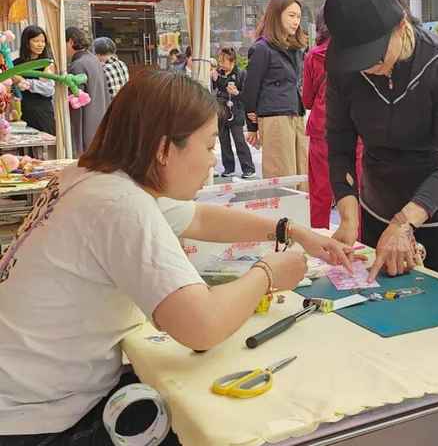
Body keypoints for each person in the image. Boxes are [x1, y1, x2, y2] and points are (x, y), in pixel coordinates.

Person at [0, 70, 357, 443]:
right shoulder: (119, 203)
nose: (212, 160)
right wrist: (267, 273)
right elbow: (200, 328)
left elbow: (199, 218)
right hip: (33, 421)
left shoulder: (87, 177)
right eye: (206, 146)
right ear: (164, 148)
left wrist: (292, 230)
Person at [325, 0, 438, 279]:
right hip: (377, 205)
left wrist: (404, 222)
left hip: (437, 211)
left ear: (402, 26)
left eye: (375, 57)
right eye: (356, 60)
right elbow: (339, 146)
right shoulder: (345, 70)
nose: (367, 69)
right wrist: (349, 218)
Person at [302, 8, 364, 228]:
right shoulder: (360, 53)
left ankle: (320, 242)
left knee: (320, 192)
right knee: (356, 189)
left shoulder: (314, 56)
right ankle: (358, 241)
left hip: (322, 128)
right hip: (355, 129)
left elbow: (307, 100)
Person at [243, 0, 308, 182]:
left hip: (295, 113)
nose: (296, 21)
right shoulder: (262, 48)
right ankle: (284, 212)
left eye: (298, 16)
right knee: (281, 174)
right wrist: (252, 127)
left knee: (301, 173)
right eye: (291, 15)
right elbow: (251, 88)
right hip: (275, 116)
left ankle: (300, 212)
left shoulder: (294, 48)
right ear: (277, 15)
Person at [211, 47, 255, 178]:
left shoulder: (241, 74)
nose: (221, 64)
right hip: (221, 110)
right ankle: (228, 168)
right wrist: (215, 79)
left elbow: (246, 95)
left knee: (239, 140)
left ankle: (248, 168)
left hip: (236, 111)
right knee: (224, 141)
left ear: (233, 61)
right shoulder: (217, 73)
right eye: (220, 61)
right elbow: (215, 89)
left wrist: (236, 93)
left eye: (224, 61)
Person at [66, 27, 110, 157]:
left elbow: (76, 104)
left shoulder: (78, 65)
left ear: (70, 42)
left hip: (86, 126)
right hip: (99, 123)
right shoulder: (93, 60)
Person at [12, 25, 55, 135]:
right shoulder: (15, 64)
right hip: (22, 112)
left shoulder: (47, 63)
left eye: (43, 41)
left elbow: (48, 89)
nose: (41, 44)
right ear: (27, 42)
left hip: (42, 112)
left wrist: (24, 82)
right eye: (36, 41)